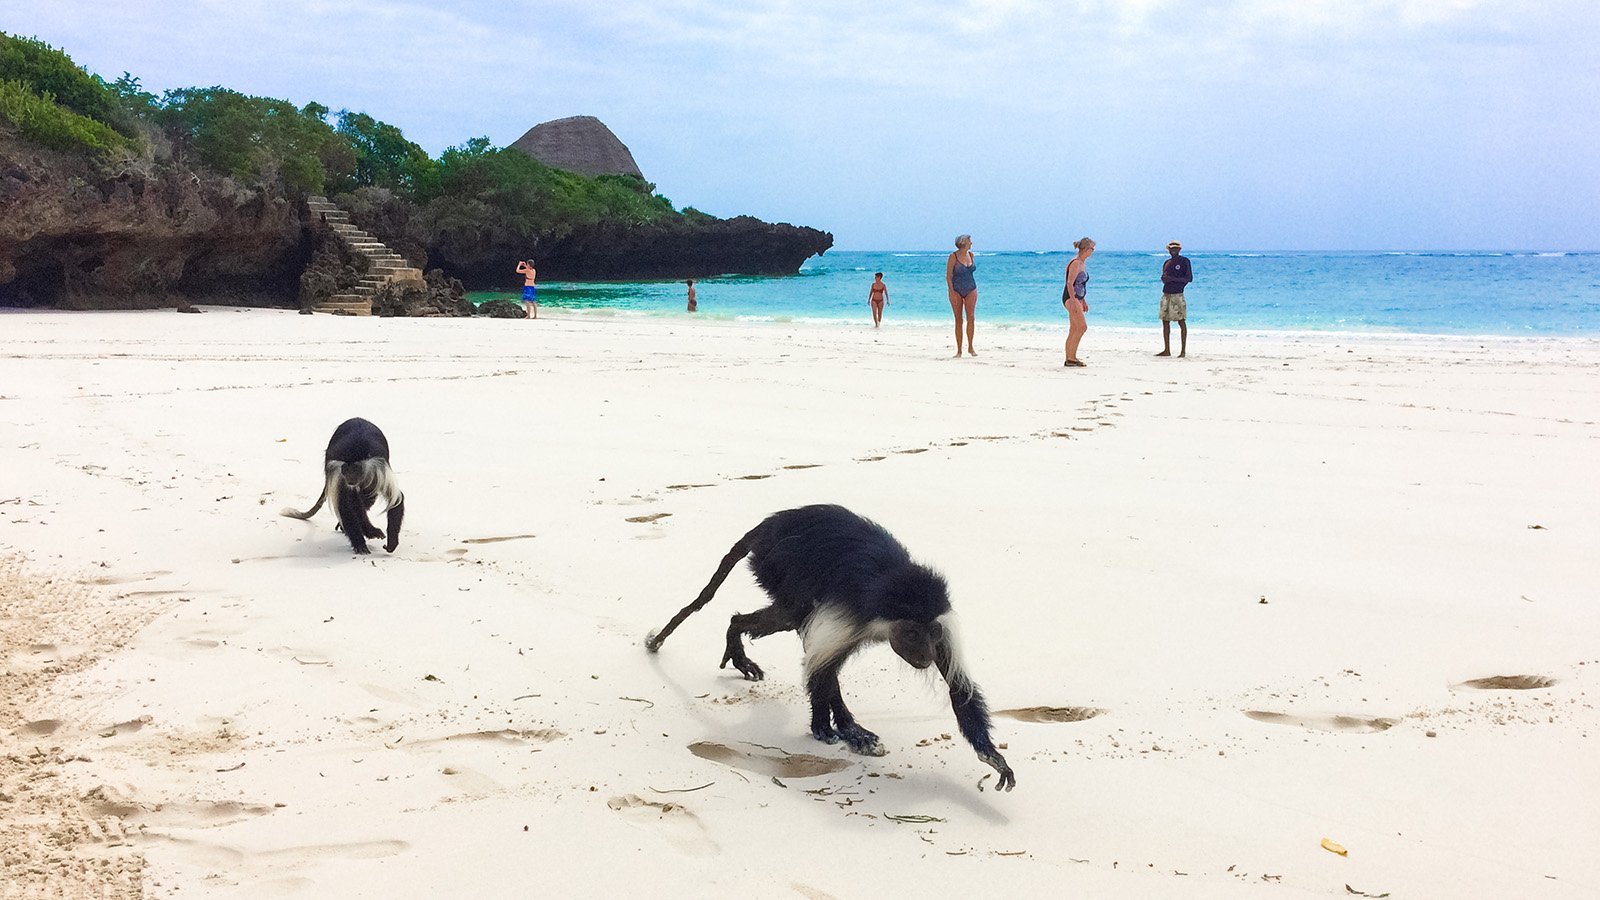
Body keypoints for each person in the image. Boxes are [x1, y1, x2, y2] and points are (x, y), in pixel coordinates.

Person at [946, 235, 978, 357]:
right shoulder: (953, 257)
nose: (971, 243)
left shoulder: (971, 255)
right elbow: (949, 276)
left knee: (971, 317)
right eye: (970, 241)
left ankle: (970, 347)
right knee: (959, 319)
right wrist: (951, 291)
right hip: (956, 290)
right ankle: (959, 350)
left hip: (971, 288)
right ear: (963, 242)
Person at [1062, 237, 1093, 367]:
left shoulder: (1082, 263)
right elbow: (1069, 283)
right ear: (1085, 249)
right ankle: (1071, 358)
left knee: (1074, 328)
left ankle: (1070, 358)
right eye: (1091, 248)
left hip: (1077, 298)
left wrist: (1083, 300)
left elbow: (1079, 284)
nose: (1092, 251)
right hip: (1071, 298)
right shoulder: (1075, 263)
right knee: (1082, 327)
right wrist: (1074, 301)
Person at [1157, 240, 1191, 357]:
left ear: (1179, 250)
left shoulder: (1184, 261)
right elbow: (1164, 277)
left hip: (1178, 294)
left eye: (1175, 249)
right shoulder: (1167, 262)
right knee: (1165, 321)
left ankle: (1183, 351)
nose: (1173, 251)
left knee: (1181, 321)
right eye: (1171, 249)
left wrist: (1172, 279)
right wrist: (1166, 279)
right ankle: (1167, 350)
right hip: (1166, 294)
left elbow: (1188, 278)